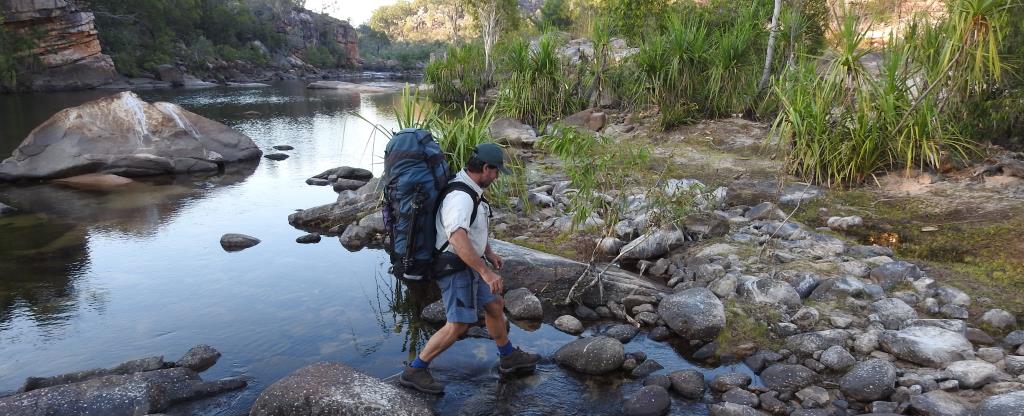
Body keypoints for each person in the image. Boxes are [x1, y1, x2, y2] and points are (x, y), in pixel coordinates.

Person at [399, 143, 540, 394]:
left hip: (470, 263)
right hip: (455, 267)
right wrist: (485, 271)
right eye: (496, 172)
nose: (497, 177)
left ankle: (508, 357)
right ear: (486, 168)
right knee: (459, 324)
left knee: (494, 304)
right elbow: (457, 237)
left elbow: (474, 228)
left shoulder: (471, 188)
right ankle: (415, 370)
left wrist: (488, 253)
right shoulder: (460, 197)